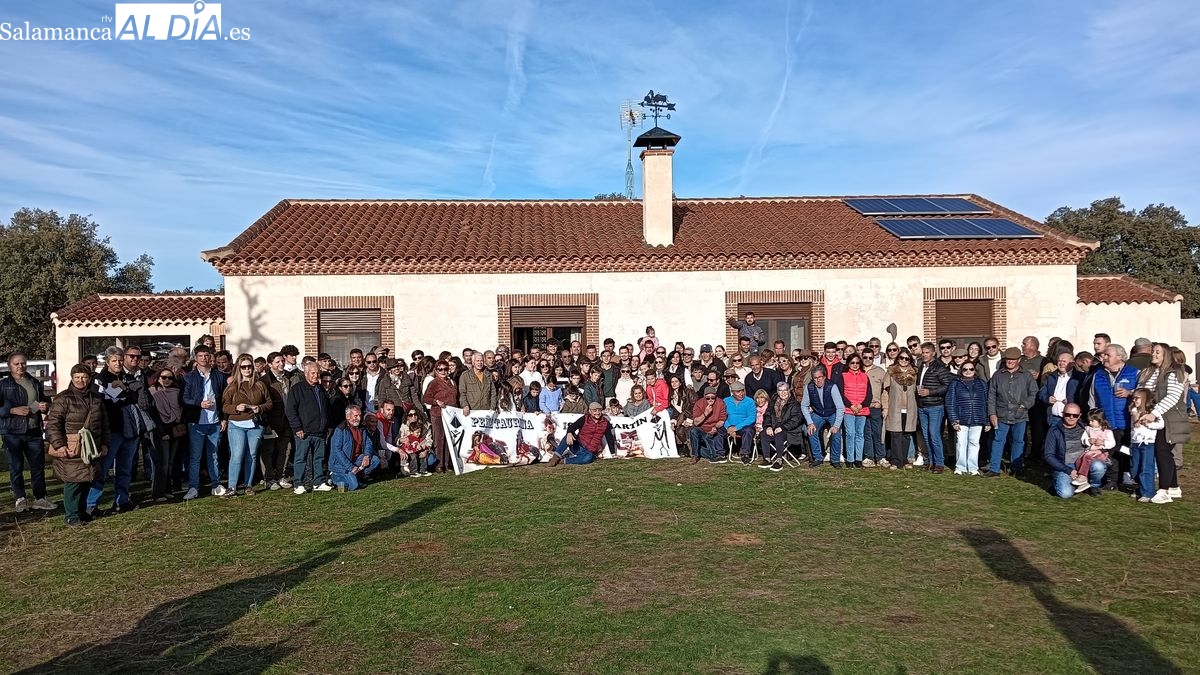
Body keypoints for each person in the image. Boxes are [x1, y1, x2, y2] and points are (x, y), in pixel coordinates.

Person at [45, 364, 110, 526]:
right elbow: (53, 424)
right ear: (72, 378)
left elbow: (104, 424)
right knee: (73, 483)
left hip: (91, 448)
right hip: (72, 447)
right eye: (77, 377)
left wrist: (105, 443)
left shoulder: (96, 399)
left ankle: (81, 513)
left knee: (86, 481)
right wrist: (59, 445)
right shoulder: (63, 398)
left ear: (89, 378)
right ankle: (71, 516)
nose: (81, 380)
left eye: (84, 377)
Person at [90, 346, 143, 514]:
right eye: (114, 361)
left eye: (120, 360)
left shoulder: (127, 377)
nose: (118, 364)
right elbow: (101, 401)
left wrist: (122, 391)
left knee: (125, 468)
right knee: (102, 470)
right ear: (107, 362)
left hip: (129, 428)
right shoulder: (100, 379)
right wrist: (120, 391)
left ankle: (122, 500)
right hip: (110, 430)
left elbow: (135, 397)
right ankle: (91, 504)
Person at [1, 351, 55, 513]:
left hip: (33, 431)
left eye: (23, 363)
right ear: (10, 365)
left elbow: (44, 400)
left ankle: (40, 498)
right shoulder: (4, 385)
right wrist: (12, 410)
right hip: (12, 432)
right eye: (16, 364)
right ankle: (20, 498)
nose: (20, 366)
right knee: (15, 467)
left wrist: (46, 406)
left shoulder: (34, 382)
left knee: (38, 467)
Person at [1136, 343, 1187, 503]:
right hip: (1151, 419)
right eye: (1153, 351)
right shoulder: (1148, 372)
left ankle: (1163, 490)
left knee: (1162, 451)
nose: (1154, 354)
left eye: (1157, 352)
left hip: (1170, 420)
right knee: (1163, 453)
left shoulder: (1174, 372)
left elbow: (1172, 396)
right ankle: (1173, 487)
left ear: (1166, 355)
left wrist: (1153, 414)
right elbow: (1143, 391)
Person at [1088, 343, 1140, 489]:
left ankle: (1129, 477)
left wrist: (1130, 393)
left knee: (1126, 451)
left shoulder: (1134, 373)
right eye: (1103, 355)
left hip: (1127, 421)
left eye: (1107, 355)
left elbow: (1144, 393)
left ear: (1120, 357)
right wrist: (1095, 420)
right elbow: (1092, 399)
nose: (1103, 357)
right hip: (1108, 423)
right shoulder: (1098, 375)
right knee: (1110, 452)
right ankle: (1112, 480)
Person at [220, 353, 272, 496]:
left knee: (252, 455)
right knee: (236, 455)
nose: (247, 369)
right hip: (236, 424)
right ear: (239, 368)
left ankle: (248, 485)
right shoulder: (232, 386)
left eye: (250, 366)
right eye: (244, 367)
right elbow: (224, 406)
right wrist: (236, 408)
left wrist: (259, 408)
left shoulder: (260, 385)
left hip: (255, 425)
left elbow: (269, 403)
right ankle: (232, 487)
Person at [182, 344, 228, 501]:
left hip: (214, 422)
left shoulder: (219, 377)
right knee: (195, 457)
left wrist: (223, 418)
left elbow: (223, 399)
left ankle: (216, 485)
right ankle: (193, 487)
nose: (204, 358)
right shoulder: (189, 377)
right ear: (196, 358)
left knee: (213, 455)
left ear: (211, 357)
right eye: (200, 356)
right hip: (197, 423)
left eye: (206, 355)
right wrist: (199, 403)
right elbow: (184, 399)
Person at [985, 348, 1038, 477]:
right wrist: (992, 413)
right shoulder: (997, 375)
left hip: (1020, 415)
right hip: (1001, 414)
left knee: (1018, 441)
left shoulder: (1026, 376)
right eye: (1008, 359)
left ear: (1019, 360)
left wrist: (1024, 405)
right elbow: (991, 396)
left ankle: (1016, 467)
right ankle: (994, 468)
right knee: (998, 440)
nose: (1010, 362)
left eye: (1013, 359)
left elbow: (1034, 393)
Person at [285, 362, 334, 494]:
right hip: (304, 432)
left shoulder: (321, 389)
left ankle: (318, 482)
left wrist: (328, 425)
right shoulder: (297, 389)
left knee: (319, 458)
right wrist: (297, 428)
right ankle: (298, 483)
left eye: (317, 372)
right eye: (313, 373)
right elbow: (290, 410)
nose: (316, 375)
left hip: (320, 431)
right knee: (301, 458)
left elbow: (326, 409)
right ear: (306, 374)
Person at [1044, 403, 1105, 498]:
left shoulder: (1086, 428)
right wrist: (1068, 470)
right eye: (1068, 414)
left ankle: (1094, 486)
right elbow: (1048, 455)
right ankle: (1057, 483)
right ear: (1063, 414)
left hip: (1084, 462)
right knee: (1066, 494)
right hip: (1065, 465)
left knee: (1099, 466)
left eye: (1075, 415)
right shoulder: (1054, 431)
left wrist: (1100, 446)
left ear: (1079, 415)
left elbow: (1105, 435)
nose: (1071, 417)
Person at [945, 359, 989, 476]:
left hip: (977, 419)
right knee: (961, 444)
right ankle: (960, 467)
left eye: (971, 369)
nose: (968, 371)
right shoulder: (955, 384)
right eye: (965, 369)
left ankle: (973, 467)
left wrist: (987, 421)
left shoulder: (981, 383)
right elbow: (951, 402)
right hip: (961, 419)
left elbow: (986, 402)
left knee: (974, 444)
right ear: (961, 370)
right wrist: (954, 420)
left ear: (975, 370)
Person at [149, 367, 185, 500]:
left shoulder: (177, 392)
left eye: (170, 377)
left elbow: (181, 409)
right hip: (160, 429)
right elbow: (152, 412)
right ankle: (158, 492)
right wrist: (162, 430)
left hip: (175, 428)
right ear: (158, 378)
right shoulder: (152, 392)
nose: (167, 380)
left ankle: (167, 490)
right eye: (164, 377)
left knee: (170, 461)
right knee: (162, 462)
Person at [915, 342, 951, 473]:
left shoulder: (940, 367)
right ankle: (930, 461)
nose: (924, 355)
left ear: (933, 353)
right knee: (926, 435)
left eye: (927, 352)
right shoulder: (921, 366)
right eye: (923, 352)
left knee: (934, 434)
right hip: (922, 406)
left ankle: (939, 463)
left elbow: (947, 386)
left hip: (935, 405)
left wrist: (930, 391)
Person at [547, 401, 616, 466]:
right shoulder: (585, 418)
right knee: (569, 436)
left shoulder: (605, 423)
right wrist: (569, 433)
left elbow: (609, 438)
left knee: (588, 458)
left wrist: (613, 454)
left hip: (589, 451)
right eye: (595, 411)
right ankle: (555, 457)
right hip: (578, 445)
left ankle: (562, 461)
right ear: (590, 411)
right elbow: (572, 426)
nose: (597, 413)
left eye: (599, 410)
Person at [328, 404, 380, 490]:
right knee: (353, 486)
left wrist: (367, 455)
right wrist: (350, 467)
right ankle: (334, 477)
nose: (359, 418)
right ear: (348, 416)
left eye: (360, 415)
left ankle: (357, 477)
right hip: (341, 464)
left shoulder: (362, 428)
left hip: (356, 460)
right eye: (356, 416)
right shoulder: (340, 430)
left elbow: (368, 443)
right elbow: (336, 451)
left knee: (375, 460)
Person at [882, 352, 918, 470]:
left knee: (906, 434)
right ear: (898, 359)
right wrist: (885, 407)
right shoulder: (891, 373)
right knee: (895, 434)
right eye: (901, 358)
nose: (904, 360)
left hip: (909, 409)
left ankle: (904, 459)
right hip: (894, 408)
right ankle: (896, 461)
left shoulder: (914, 373)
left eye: (907, 358)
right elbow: (885, 392)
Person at [802, 368, 844, 468]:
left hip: (832, 412)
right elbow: (804, 405)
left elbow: (840, 407)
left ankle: (835, 459)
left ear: (824, 377)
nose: (818, 380)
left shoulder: (832, 387)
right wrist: (810, 422)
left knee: (836, 433)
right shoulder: (809, 387)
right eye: (815, 378)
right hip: (818, 413)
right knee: (811, 431)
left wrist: (836, 425)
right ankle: (818, 458)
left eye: (820, 377)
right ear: (812, 379)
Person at [1128, 389, 1164, 503]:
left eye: (1137, 398)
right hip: (1135, 443)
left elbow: (1161, 424)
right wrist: (1136, 416)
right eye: (1133, 398)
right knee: (1135, 467)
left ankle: (1148, 492)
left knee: (1146, 467)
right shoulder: (1134, 410)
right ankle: (1139, 487)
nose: (1134, 400)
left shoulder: (1152, 412)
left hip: (1148, 443)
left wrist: (1149, 424)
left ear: (1144, 399)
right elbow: (1135, 424)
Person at [760, 382, 804, 471]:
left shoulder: (794, 404)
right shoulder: (773, 402)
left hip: (789, 430)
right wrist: (768, 426)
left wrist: (782, 427)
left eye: (785, 390)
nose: (783, 393)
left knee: (779, 435)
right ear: (777, 391)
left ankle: (779, 460)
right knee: (763, 434)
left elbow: (796, 420)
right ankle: (767, 459)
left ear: (789, 391)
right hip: (774, 426)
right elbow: (767, 415)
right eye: (780, 390)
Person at [839, 355, 872, 469]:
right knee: (850, 434)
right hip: (848, 409)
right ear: (848, 363)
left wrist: (861, 405)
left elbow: (869, 395)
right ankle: (850, 459)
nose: (855, 365)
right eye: (852, 362)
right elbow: (841, 394)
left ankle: (858, 459)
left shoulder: (865, 376)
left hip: (862, 410)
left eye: (857, 363)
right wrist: (851, 405)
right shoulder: (843, 376)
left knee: (860, 434)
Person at [1038, 351, 1082, 428]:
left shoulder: (1079, 378)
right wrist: (1047, 399)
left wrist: (1071, 401)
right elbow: (1042, 392)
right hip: (1053, 418)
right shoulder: (1051, 376)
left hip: (1072, 418)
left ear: (1071, 363)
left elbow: (1082, 396)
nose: (1061, 363)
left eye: (1064, 361)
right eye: (1059, 361)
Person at [1074, 410, 1115, 491]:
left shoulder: (1107, 431)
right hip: (1089, 450)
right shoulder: (1088, 429)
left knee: (1087, 457)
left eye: (1092, 421)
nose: (1090, 423)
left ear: (1100, 421)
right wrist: (1088, 441)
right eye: (1089, 421)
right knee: (1079, 459)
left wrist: (1103, 443)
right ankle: (1082, 480)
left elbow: (1112, 443)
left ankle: (1083, 477)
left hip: (1100, 452)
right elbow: (1083, 439)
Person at [689, 386, 728, 463]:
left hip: (715, 429)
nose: (710, 400)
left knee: (713, 455)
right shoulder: (699, 403)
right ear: (704, 397)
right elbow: (696, 422)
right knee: (693, 431)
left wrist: (715, 427)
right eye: (708, 398)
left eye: (712, 397)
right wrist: (705, 413)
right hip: (702, 429)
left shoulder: (720, 403)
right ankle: (695, 455)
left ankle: (705, 451)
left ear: (715, 396)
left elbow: (722, 419)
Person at [862, 349, 887, 467]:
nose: (867, 360)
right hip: (862, 408)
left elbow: (885, 390)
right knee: (866, 433)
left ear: (873, 358)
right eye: (865, 357)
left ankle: (881, 456)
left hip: (875, 407)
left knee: (877, 433)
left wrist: (882, 404)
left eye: (870, 358)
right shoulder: (858, 370)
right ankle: (869, 456)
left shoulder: (880, 371)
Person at [724, 381, 757, 464]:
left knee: (748, 430)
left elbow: (751, 418)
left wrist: (736, 427)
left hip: (743, 427)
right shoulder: (725, 401)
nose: (741, 393)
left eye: (743, 390)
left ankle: (745, 454)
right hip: (729, 426)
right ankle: (719, 453)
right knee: (717, 428)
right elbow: (722, 417)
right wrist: (728, 427)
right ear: (732, 392)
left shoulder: (749, 401)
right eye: (738, 391)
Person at [397, 408, 433, 477]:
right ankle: (413, 471)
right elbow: (397, 439)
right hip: (409, 449)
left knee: (430, 460)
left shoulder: (425, 425)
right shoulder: (404, 426)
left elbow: (428, 440)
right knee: (412, 457)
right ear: (407, 416)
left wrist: (425, 450)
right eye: (410, 415)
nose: (413, 416)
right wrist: (402, 440)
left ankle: (423, 470)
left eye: (415, 414)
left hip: (421, 448)